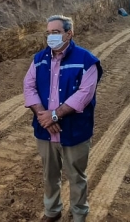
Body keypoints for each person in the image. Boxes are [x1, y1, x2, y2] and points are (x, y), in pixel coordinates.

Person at [24, 15, 103, 222]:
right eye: (48, 33)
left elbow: (84, 94)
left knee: (76, 176)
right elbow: (29, 86)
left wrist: (54, 115)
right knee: (49, 175)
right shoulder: (39, 59)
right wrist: (43, 116)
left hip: (74, 129)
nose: (51, 37)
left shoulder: (87, 61)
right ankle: (52, 211)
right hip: (45, 129)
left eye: (56, 32)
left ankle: (79, 214)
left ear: (69, 33)